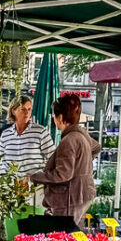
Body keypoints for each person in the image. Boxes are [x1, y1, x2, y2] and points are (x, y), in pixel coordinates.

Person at [28, 93, 101, 226]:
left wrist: (34, 177)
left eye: (54, 116)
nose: (54, 119)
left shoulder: (69, 140)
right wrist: (82, 165)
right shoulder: (81, 134)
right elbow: (96, 147)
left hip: (70, 196)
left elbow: (62, 174)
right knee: (74, 236)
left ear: (60, 117)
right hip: (82, 194)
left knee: (63, 237)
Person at [0, 94, 55, 175]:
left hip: (36, 185)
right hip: (12, 186)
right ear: (13, 111)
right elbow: (2, 162)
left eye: (29, 109)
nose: (27, 113)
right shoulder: (5, 135)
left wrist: (40, 177)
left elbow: (53, 159)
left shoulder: (41, 132)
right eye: (23, 109)